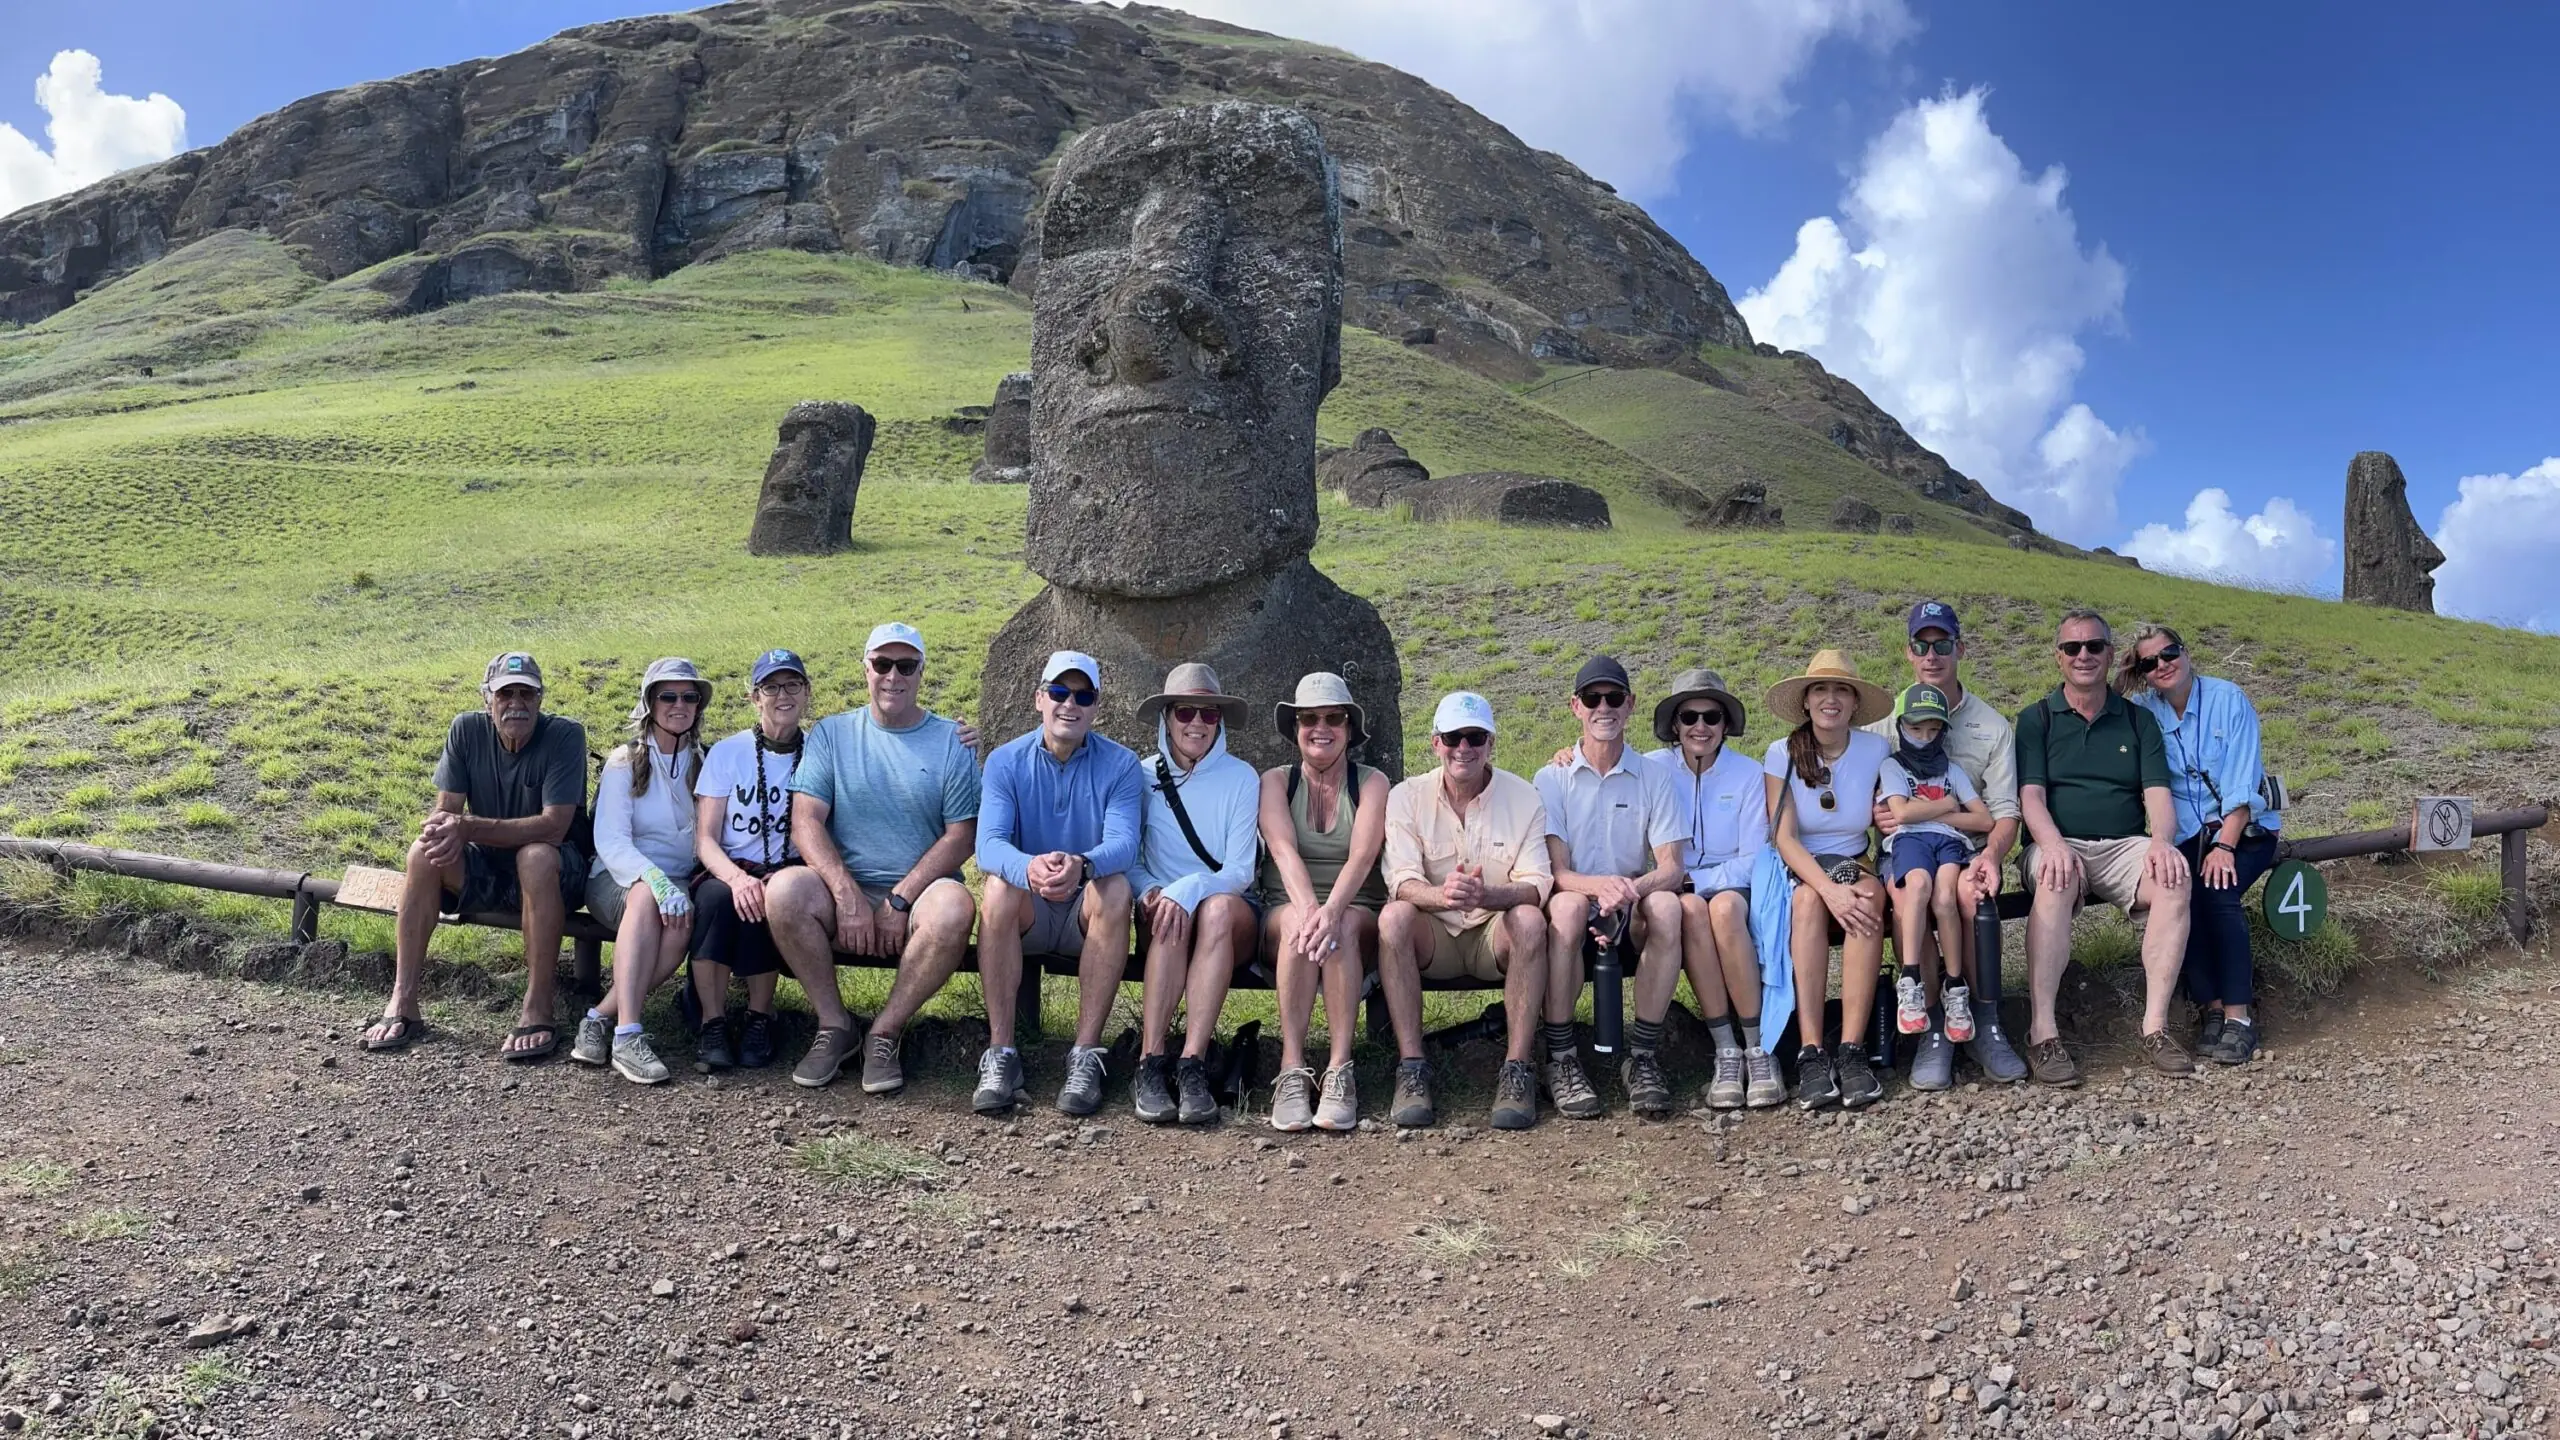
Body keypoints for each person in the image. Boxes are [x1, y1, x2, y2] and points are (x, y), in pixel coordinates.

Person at [767, 623, 982, 1093]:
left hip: (919, 893)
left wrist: (900, 900)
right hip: (844, 888)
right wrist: (846, 895)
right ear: (865, 669)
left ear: (921, 673)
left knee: (954, 909)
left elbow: (962, 835)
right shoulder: (832, 734)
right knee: (783, 891)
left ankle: (884, 1032)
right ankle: (834, 1025)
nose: (892, 676)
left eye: (906, 666)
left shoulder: (952, 740)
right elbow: (805, 820)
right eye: (882, 664)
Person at [360, 652, 587, 1060]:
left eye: (526, 694)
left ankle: (538, 1006)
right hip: (488, 865)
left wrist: (467, 827)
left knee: (535, 856)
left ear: (540, 698)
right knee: (422, 853)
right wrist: (439, 828)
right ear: (488, 699)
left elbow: (555, 826)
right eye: (505, 694)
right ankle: (403, 1000)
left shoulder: (566, 735)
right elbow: (447, 808)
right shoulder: (465, 729)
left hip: (554, 874)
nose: (516, 703)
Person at [2015, 609, 2194, 1085]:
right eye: (2073, 648)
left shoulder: (2137, 722)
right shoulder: (2036, 720)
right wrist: (2051, 844)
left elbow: (2157, 792)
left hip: (2123, 845)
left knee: (2174, 879)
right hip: (2059, 841)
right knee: (2055, 880)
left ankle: (2155, 1026)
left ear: (2110, 654)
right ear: (2059, 657)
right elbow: (2030, 795)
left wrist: (2161, 841)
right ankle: (2043, 1033)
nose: (2084, 656)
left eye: (2094, 646)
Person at [972, 650, 1145, 1117]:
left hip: (1083, 909)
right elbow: (987, 844)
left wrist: (1083, 864)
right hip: (1029, 906)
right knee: (997, 887)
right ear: (1039, 699)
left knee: (1117, 888)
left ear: (1096, 707)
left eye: (1083, 695)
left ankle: (1086, 1055)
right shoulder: (1005, 762)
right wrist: (1028, 868)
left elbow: (1125, 844)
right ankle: (1001, 1053)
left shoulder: (1122, 765)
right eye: (1059, 692)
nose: (1070, 704)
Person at [1866, 600, 2027, 1088]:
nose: (1930, 654)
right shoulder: (1884, 721)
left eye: (1941, 644)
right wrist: (1874, 813)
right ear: (1908, 651)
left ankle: (1985, 1022)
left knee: (1965, 893)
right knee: (1908, 893)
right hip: (1906, 848)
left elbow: (2005, 813)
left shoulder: (1992, 726)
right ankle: (1933, 1027)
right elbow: (1858, 796)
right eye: (1921, 644)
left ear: (1960, 648)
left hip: (1969, 849)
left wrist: (1993, 857)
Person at [1378, 692, 1555, 1131]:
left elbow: (1537, 885)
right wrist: (1446, 896)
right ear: (1435, 743)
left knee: (1530, 921)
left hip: (1492, 931)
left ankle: (1518, 1068)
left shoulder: (1524, 797)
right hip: (1434, 933)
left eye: (1475, 737)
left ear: (1490, 743)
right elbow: (1400, 880)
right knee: (1393, 918)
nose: (1464, 748)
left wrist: (1487, 896)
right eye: (1454, 737)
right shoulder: (1406, 796)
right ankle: (1412, 1067)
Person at [1534, 656, 1689, 1119]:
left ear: (1631, 705)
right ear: (1575, 707)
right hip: (1577, 900)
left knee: (1667, 907)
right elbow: (1558, 871)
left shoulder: (1655, 776)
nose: (1605, 707)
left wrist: (1627, 893)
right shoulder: (1552, 777)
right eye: (1593, 698)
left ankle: (1641, 1056)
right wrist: (1600, 891)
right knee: (1564, 909)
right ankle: (1560, 1059)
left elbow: (1672, 867)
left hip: (1631, 902)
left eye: (1615, 697)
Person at [2120, 624, 2280, 1064]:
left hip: (2240, 829)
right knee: (2179, 893)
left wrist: (2225, 846)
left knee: (2217, 892)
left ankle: (2239, 1015)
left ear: (2186, 653)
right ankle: (2210, 1008)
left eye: (2168, 654)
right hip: (2188, 834)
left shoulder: (2228, 700)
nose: (2162, 666)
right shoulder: (2142, 711)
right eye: (2148, 663)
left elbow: (2242, 782)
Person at [1642, 667, 1783, 1110]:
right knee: (1690, 911)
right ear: (1675, 724)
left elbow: (1751, 857)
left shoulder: (1748, 774)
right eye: (1689, 717)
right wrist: (1565, 756)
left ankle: (1758, 1050)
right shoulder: (1651, 768)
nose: (1700, 727)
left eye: (1711, 717)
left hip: (1729, 884)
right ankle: (1726, 1049)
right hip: (1675, 891)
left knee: (1721, 910)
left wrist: (1696, 880)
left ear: (1726, 725)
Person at [1128, 663, 1261, 1126]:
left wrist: (1189, 888)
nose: (1197, 724)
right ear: (1167, 717)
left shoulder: (1243, 778)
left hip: (1225, 913)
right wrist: (1151, 890)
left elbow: (1240, 870)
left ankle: (1192, 1062)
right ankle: (1151, 1061)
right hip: (1163, 915)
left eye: (1209, 714)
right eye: (1186, 712)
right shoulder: (1140, 776)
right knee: (1168, 914)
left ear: (1220, 721)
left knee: (1218, 910)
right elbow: (1132, 857)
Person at [1258, 672, 1391, 1133]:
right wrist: (1312, 914)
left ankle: (1339, 1069)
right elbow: (1281, 849)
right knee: (1299, 925)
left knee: (1344, 928)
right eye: (1309, 718)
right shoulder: (1275, 782)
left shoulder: (1372, 784)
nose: (1322, 727)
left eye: (1334, 718)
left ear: (1350, 729)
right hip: (1286, 909)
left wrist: (1331, 912)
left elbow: (1363, 854)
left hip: (1354, 909)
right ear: (1295, 728)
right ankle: (1292, 1068)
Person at [1763, 650, 1895, 1111]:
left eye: (1842, 690)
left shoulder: (1876, 749)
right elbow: (1783, 837)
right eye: (1821, 689)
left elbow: (1888, 809)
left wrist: (1890, 816)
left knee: (1867, 895)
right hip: (1801, 862)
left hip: (1851, 857)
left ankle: (1853, 1049)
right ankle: (1811, 1050)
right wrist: (1826, 888)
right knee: (1807, 903)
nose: (1831, 699)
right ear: (1805, 701)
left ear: (1855, 702)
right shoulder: (1781, 754)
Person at [571, 658, 709, 1084]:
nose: (679, 704)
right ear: (650, 703)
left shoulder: (706, 761)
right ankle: (629, 1034)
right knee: (648, 899)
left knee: (680, 922)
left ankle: (598, 1017)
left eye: (689, 696)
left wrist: (676, 885)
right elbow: (611, 840)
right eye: (668, 695)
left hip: (679, 883)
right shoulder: (623, 761)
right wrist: (655, 880)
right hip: (616, 879)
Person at [687, 648, 811, 1071]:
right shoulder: (728, 752)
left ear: (807, 692)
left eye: (792, 684)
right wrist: (737, 879)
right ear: (754, 697)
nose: (783, 695)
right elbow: (705, 839)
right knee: (720, 900)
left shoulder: (819, 751)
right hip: (729, 865)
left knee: (773, 895)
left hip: (790, 869)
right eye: (771, 687)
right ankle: (713, 1023)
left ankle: (760, 1017)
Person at [1876, 683, 1995, 1058]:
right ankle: (1911, 978)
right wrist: (1945, 803)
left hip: (1948, 842)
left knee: (1946, 897)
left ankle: (1955, 985)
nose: (1924, 738)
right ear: (1901, 727)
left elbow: (1985, 819)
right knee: (1918, 884)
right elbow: (1903, 813)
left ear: (1943, 731)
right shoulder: (1894, 765)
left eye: (1933, 730)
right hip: (1910, 841)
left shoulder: (1952, 770)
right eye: (1916, 729)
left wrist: (1941, 811)